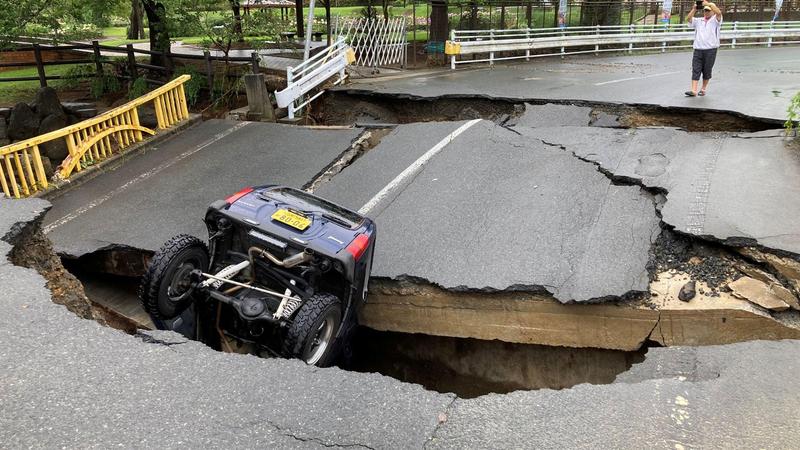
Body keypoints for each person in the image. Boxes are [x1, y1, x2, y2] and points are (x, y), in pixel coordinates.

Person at [685, 1, 723, 97]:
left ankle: (703, 88)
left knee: (707, 70)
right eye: (705, 10)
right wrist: (694, 8)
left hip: (711, 49)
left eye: (708, 11)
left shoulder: (716, 20)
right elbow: (688, 19)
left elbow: (719, 13)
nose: (706, 12)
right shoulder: (699, 21)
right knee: (696, 69)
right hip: (698, 49)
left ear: (712, 11)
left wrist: (708, 4)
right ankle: (693, 90)